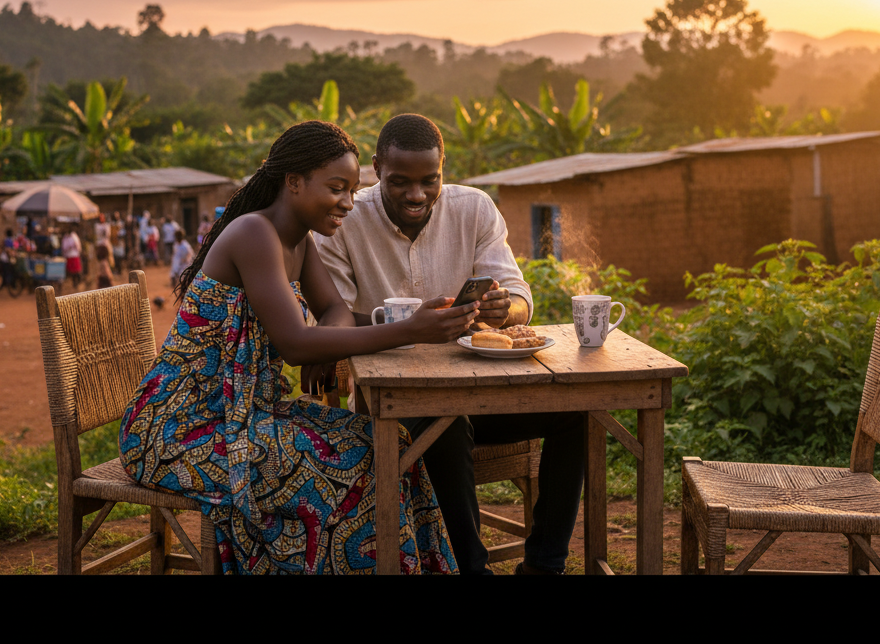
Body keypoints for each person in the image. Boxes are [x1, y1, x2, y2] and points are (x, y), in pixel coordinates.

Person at [119, 120, 480, 575]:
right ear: (293, 182)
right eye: (336, 189)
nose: (348, 204)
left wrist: (330, 342)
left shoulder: (301, 243)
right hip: (179, 427)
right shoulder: (255, 234)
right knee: (346, 467)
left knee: (389, 445)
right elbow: (295, 343)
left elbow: (336, 312)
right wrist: (410, 329)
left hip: (245, 414)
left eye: (352, 190)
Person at [315, 113, 585, 576]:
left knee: (573, 412)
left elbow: (520, 298)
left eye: (429, 180)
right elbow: (331, 317)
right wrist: (411, 328)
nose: (416, 195)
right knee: (447, 423)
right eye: (400, 181)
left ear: (444, 167)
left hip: (479, 391)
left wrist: (506, 310)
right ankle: (470, 569)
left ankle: (545, 566)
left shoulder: (474, 208)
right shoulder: (346, 219)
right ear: (375, 168)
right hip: (395, 405)